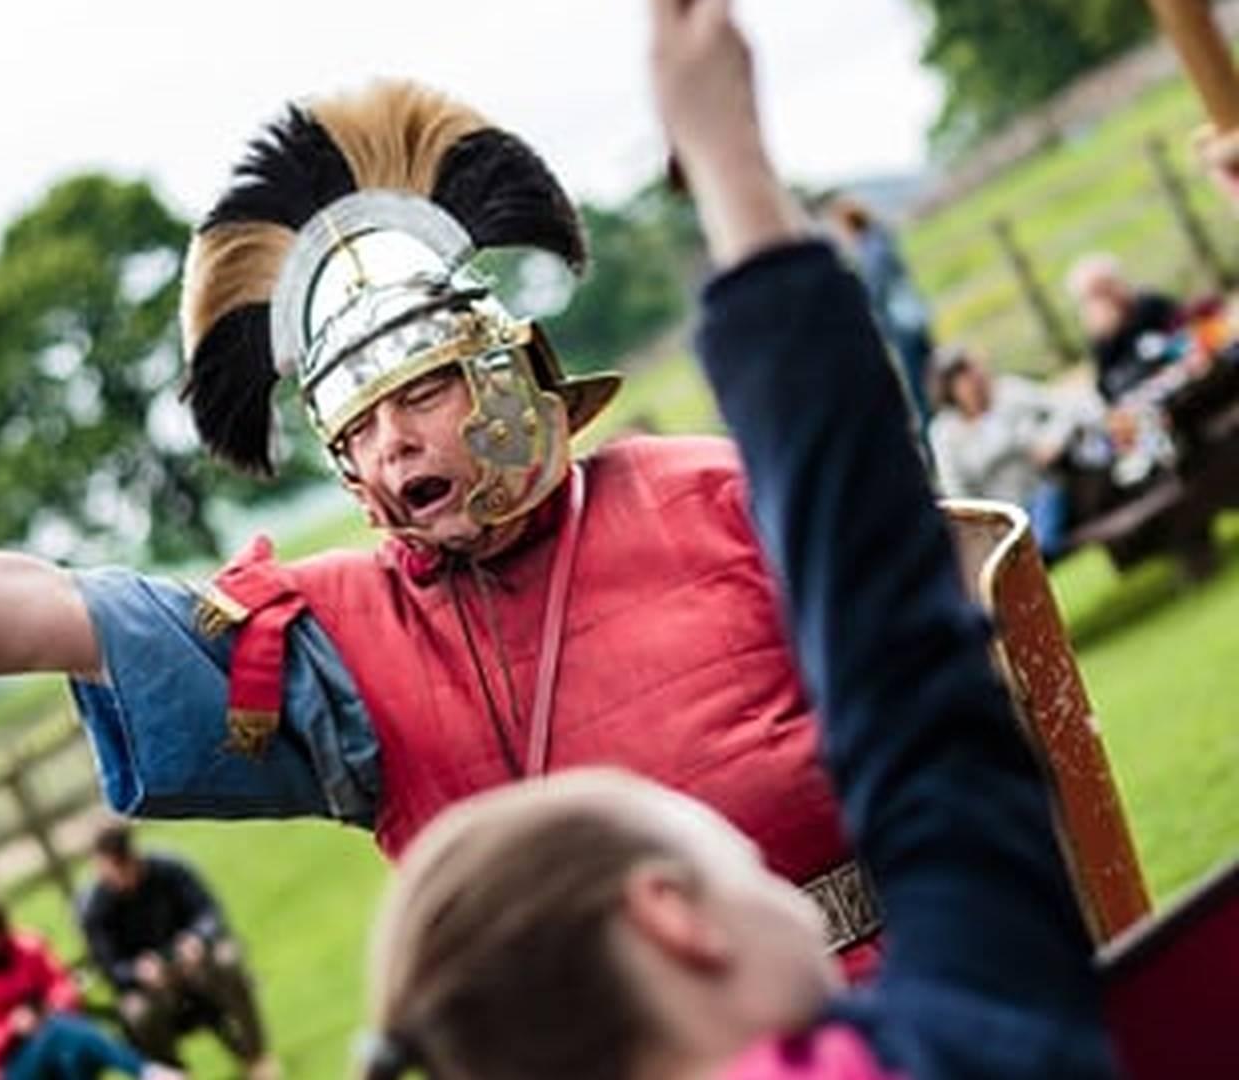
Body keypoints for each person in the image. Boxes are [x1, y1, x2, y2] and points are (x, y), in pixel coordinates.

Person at [0, 72, 882, 976]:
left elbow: (966, 691)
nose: (393, 446)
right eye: (360, 428)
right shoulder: (342, 637)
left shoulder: (718, 495)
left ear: (509, 368)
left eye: (421, 394)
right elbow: (42, 604)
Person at [359, 2, 1113, 1079]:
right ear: (676, 920)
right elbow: (916, 706)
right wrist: (728, 158)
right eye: (748, 873)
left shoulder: (696, 491)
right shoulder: (957, 1041)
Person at [77, 823, 275, 1077]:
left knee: (227, 960)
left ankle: (256, 1057)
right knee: (138, 1015)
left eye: (118, 868)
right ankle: (175, 1075)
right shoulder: (95, 906)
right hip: (148, 988)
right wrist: (137, 971)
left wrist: (197, 939)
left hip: (194, 965)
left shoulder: (168, 869)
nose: (114, 877)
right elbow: (108, 965)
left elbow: (209, 912)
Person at [0, 897, 174, 1080]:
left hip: (63, 1037)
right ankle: (146, 1071)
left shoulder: (28, 948)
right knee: (62, 1033)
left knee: (65, 1047)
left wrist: (50, 1007)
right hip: (14, 1065)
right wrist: (11, 1028)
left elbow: (63, 987)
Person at [926, 347, 1103, 558]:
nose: (974, 381)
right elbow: (956, 490)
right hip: (997, 521)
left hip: (1041, 494)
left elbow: (1067, 406)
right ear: (950, 390)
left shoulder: (1010, 392)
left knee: (1039, 539)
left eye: (974, 370)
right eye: (963, 378)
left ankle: (1037, 552)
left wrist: (1052, 441)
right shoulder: (944, 433)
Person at [822, 192, 935, 427]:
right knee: (927, 369)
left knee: (918, 378)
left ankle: (931, 428)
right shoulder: (879, 240)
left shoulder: (871, 249)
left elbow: (875, 290)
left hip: (901, 321)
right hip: (909, 315)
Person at [1065, 252, 1192, 402]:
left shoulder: (1151, 305)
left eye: (1107, 287)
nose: (1107, 298)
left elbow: (1187, 333)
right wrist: (1108, 338)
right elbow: (1107, 390)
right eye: (1097, 295)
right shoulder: (1103, 340)